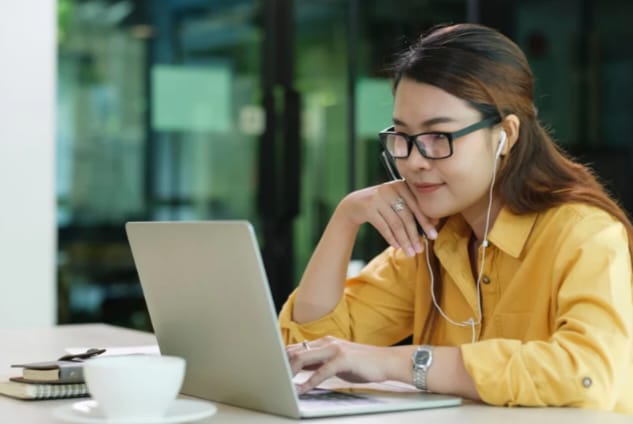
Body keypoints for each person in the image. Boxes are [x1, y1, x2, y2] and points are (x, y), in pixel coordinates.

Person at [278, 23, 633, 413]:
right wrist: (344, 220)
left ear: (505, 136)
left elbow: (589, 374)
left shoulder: (585, 234)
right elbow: (307, 349)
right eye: (402, 136)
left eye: (438, 137)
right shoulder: (432, 238)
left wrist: (399, 362)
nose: (413, 160)